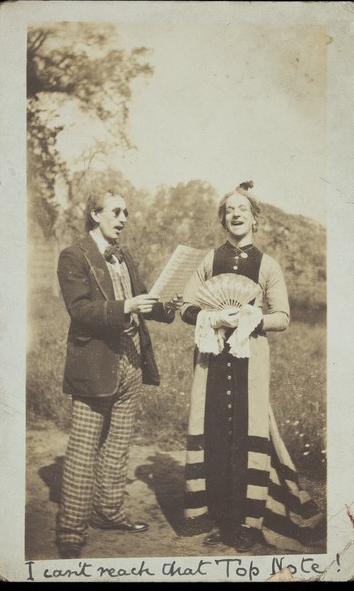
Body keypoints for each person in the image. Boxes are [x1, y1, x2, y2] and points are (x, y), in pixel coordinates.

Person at [180, 181, 325, 553]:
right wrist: (210, 316)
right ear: (222, 219)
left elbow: (284, 317)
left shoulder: (268, 265)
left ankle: (247, 523)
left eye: (243, 209)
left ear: (256, 219)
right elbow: (185, 306)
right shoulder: (209, 261)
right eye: (229, 210)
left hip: (250, 365)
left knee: (245, 438)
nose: (236, 214)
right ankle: (214, 514)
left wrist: (252, 316)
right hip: (212, 363)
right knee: (214, 433)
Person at [55, 188, 182, 559]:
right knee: (83, 447)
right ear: (95, 215)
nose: (123, 218)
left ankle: (108, 512)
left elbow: (144, 300)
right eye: (116, 212)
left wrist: (166, 306)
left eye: (126, 212)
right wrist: (127, 304)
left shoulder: (125, 255)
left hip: (131, 359)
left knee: (119, 443)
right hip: (95, 362)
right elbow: (80, 310)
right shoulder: (73, 255)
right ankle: (70, 531)